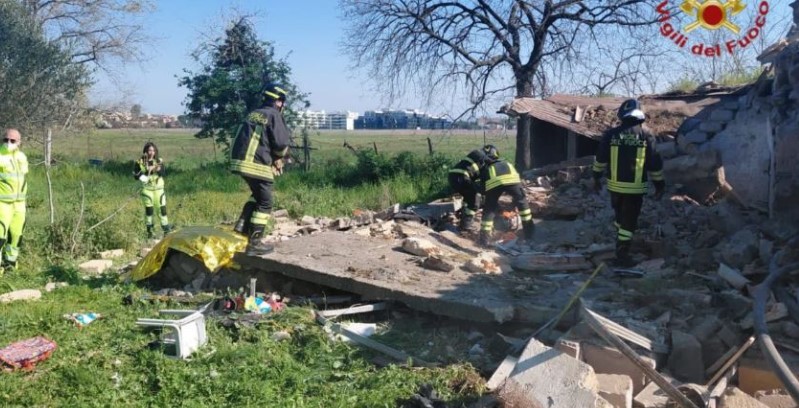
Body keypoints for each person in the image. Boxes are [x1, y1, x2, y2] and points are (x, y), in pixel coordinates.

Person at [592, 99, 665, 267]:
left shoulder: (611, 135)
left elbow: (600, 159)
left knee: (619, 217)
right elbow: (654, 163)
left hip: (614, 187)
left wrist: (595, 177)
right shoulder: (646, 135)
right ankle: (622, 254)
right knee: (629, 221)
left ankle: (621, 240)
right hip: (635, 188)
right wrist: (659, 184)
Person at [230, 83, 291, 256]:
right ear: (278, 101)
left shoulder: (254, 113)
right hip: (256, 164)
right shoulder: (273, 115)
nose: (282, 106)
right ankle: (255, 242)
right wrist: (279, 158)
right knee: (265, 202)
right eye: (282, 102)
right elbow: (280, 143)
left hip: (239, 161)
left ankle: (241, 226)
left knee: (257, 194)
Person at [478, 145, 535, 247]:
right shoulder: (507, 163)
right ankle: (530, 235)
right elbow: (516, 180)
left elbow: (483, 188)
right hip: (514, 182)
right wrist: (515, 202)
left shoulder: (486, 168)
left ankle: (484, 240)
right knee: (523, 207)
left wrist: (488, 200)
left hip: (494, 185)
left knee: (489, 210)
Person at [0, 129, 27, 275]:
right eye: (6, 140)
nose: (8, 143)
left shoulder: (22, 157)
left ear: (19, 142)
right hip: (2, 203)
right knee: (0, 237)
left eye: (12, 141)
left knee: (16, 235)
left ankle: (10, 264)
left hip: (19, 203)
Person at [133, 142, 172, 238]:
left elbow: (163, 173)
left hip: (159, 190)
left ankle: (166, 231)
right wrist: (145, 174)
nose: (151, 152)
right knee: (149, 211)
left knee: (162, 210)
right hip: (147, 190)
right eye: (150, 150)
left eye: (153, 150)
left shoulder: (159, 160)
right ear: (145, 151)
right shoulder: (140, 162)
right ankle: (150, 232)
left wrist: (157, 169)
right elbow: (135, 175)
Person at [448, 148, 488, 231]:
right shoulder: (483, 158)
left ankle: (463, 218)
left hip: (453, 176)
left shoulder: (475, 154)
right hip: (462, 176)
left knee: (468, 197)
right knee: (474, 198)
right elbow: (484, 178)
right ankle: (466, 226)